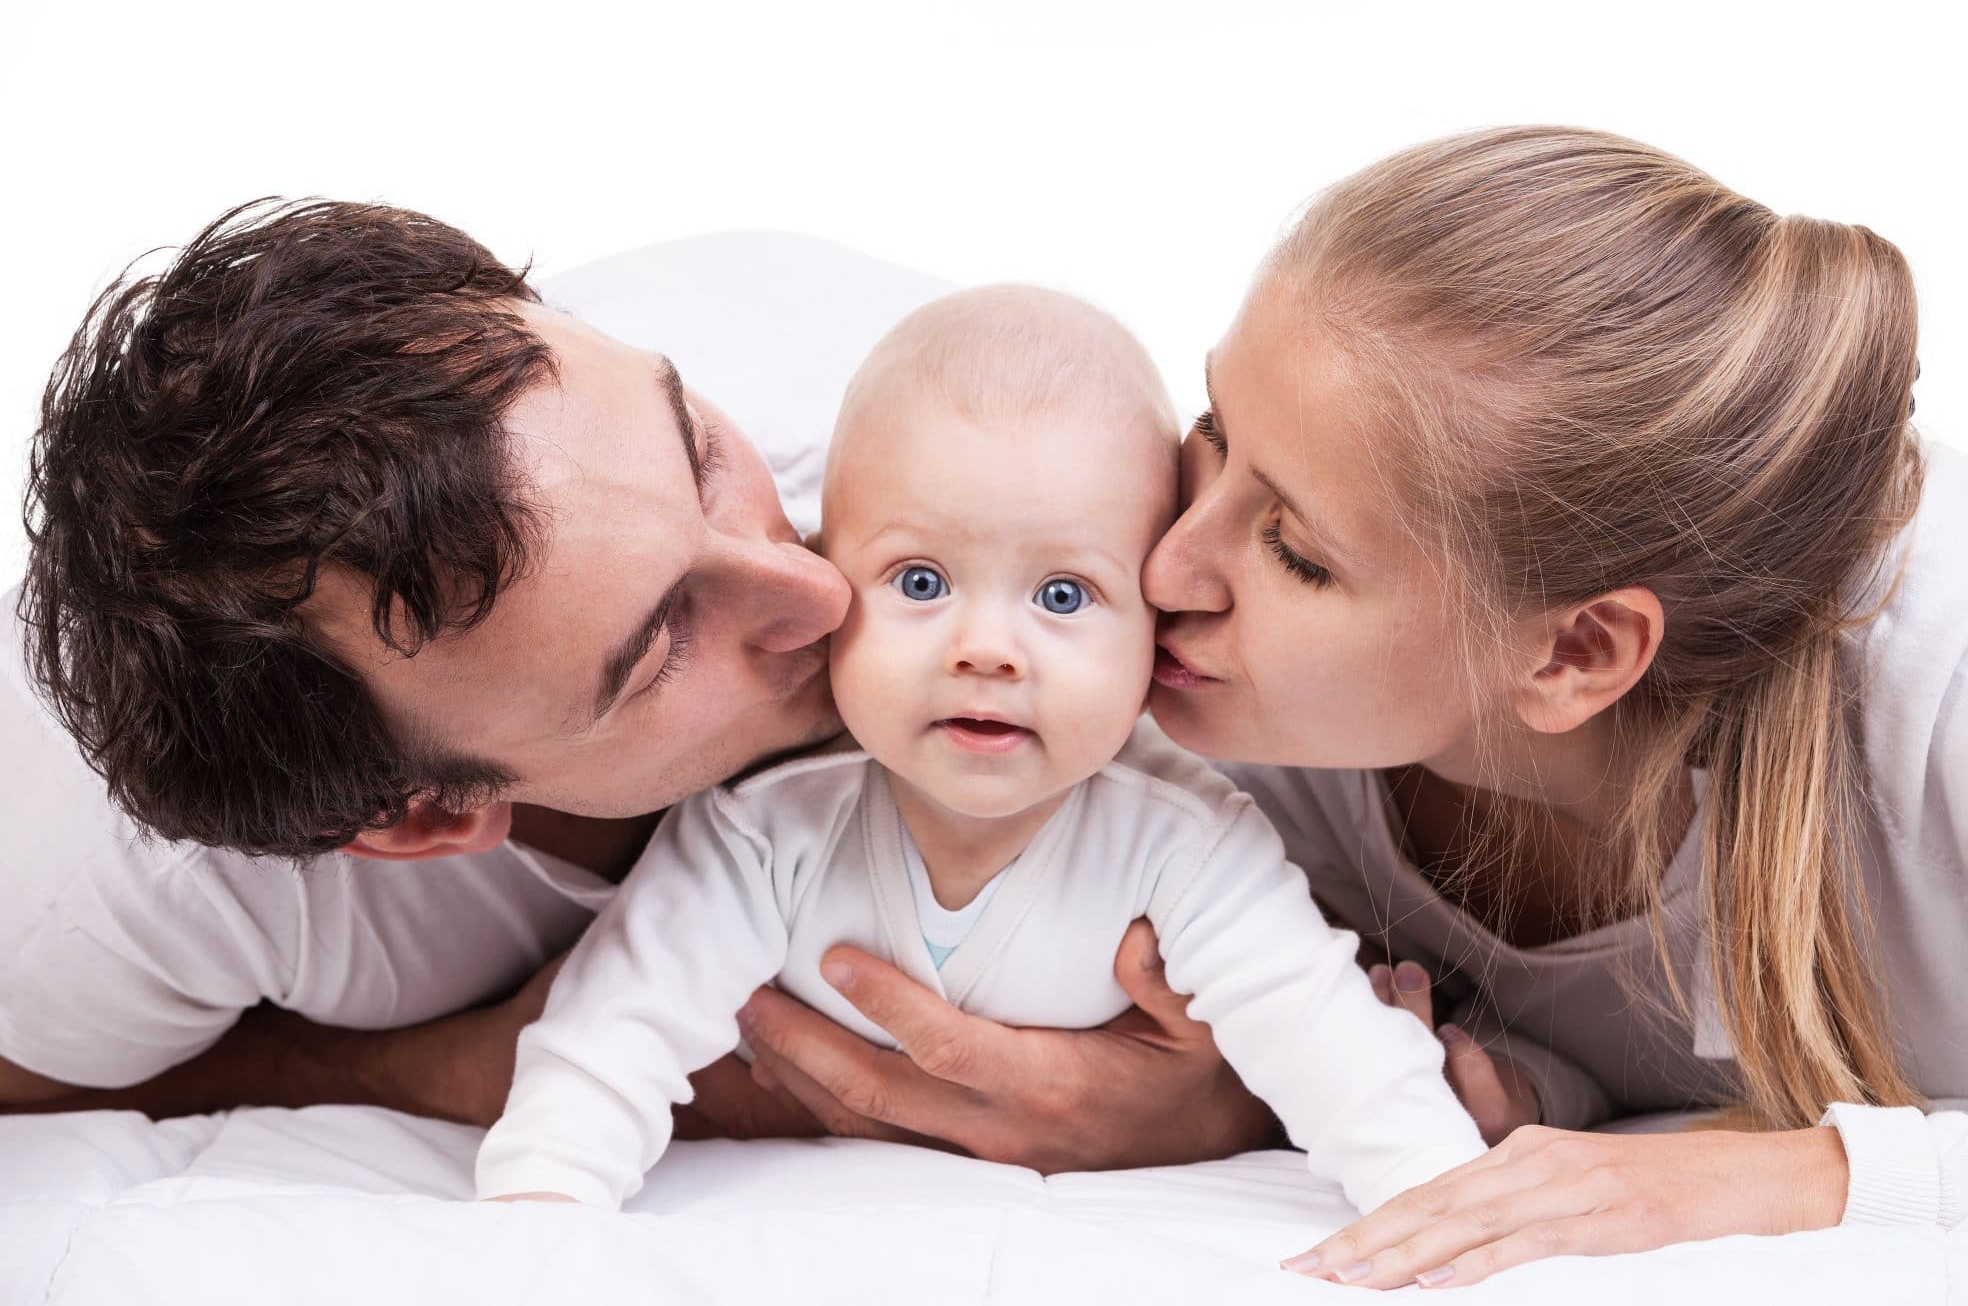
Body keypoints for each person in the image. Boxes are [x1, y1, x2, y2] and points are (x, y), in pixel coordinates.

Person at [732, 128, 1968, 1285]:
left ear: (1578, 651)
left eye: (1295, 547)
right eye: (1213, 430)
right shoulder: (1198, 711)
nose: (1171, 562)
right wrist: (1241, 1103)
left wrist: (1781, 1179)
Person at [0, 202, 1266, 1170]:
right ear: (425, 817)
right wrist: (446, 1069)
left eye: (699, 453)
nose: (816, 590)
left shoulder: (916, 423)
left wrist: (1228, 1099)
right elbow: (37, 1089)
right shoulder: (109, 892)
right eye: (659, 646)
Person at [472, 286, 1483, 1210]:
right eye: (919, 582)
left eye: (1062, 596)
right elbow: (611, 1037)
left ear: (1152, 627)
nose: (987, 652)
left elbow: (1323, 1038)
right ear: (829, 578)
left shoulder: (1188, 842)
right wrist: (541, 1213)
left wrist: (1436, 1197)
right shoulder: (761, 833)